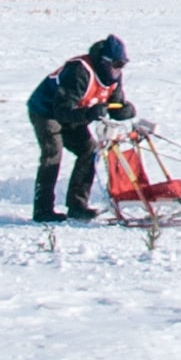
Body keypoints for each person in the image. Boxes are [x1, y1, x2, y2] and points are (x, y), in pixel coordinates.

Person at [27, 34, 133, 222]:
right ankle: (42, 211)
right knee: (53, 154)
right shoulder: (79, 71)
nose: (119, 69)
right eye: (116, 64)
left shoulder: (114, 78)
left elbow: (115, 104)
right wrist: (89, 113)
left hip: (74, 113)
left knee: (89, 150)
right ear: (104, 61)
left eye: (122, 65)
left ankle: (77, 206)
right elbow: (62, 110)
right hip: (46, 111)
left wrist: (125, 110)